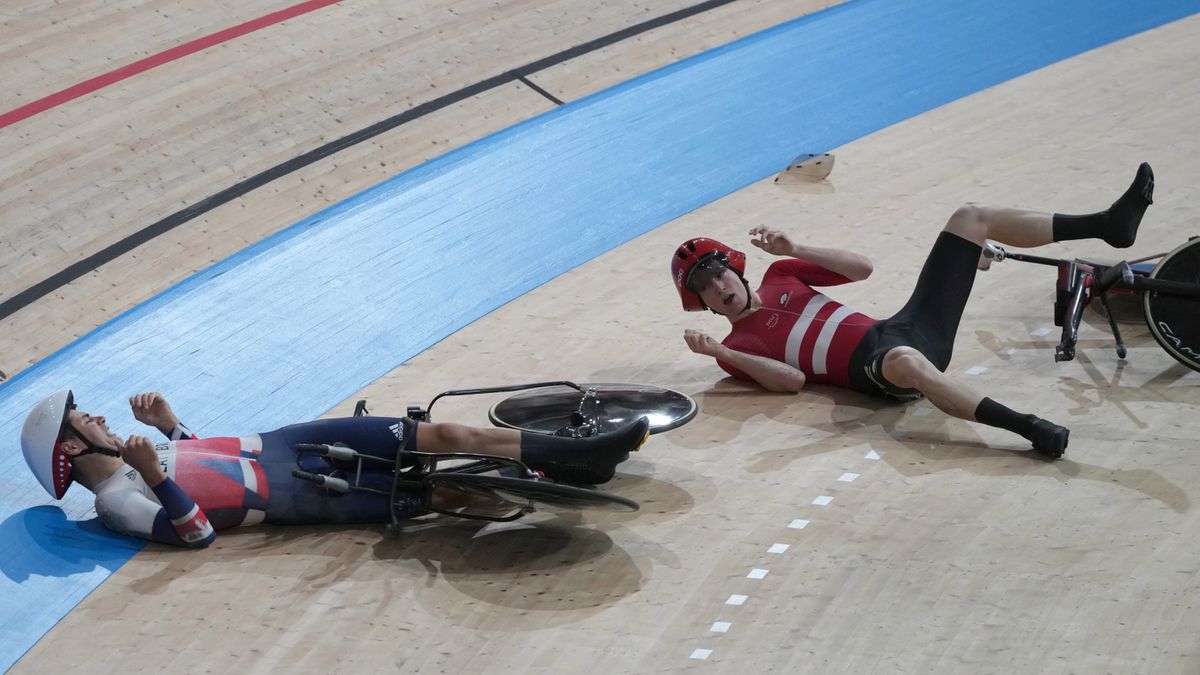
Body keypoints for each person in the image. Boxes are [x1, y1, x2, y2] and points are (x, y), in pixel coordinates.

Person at [672, 163, 1155, 459]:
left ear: (736, 269)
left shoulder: (781, 275)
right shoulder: (734, 346)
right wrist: (719, 351)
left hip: (904, 325)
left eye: (719, 273)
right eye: (706, 288)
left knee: (970, 217)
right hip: (876, 365)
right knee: (906, 362)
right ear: (703, 304)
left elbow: (862, 269)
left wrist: (795, 245)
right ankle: (1028, 427)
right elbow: (790, 382)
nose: (718, 287)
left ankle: (1107, 224)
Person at [20, 390, 649, 548]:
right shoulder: (114, 503)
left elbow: (208, 460)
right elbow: (196, 534)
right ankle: (557, 481)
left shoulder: (136, 453)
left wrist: (171, 428)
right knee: (445, 496)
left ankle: (573, 452)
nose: (96, 415)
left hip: (292, 442)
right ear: (71, 450)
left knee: (446, 432)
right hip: (301, 494)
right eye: (82, 418)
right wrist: (154, 473)